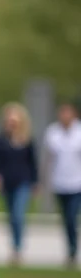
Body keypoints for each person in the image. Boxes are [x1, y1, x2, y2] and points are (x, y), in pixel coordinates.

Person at [0, 102, 38, 266]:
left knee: (18, 215)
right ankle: (14, 247)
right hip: (7, 182)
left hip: (23, 181)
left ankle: (18, 248)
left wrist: (35, 182)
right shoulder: (2, 139)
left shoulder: (27, 139)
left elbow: (33, 162)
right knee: (11, 216)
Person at [44, 101, 81, 267]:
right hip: (59, 182)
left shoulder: (79, 132)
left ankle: (73, 249)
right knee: (66, 219)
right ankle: (69, 248)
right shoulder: (53, 133)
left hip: (76, 183)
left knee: (72, 217)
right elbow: (48, 159)